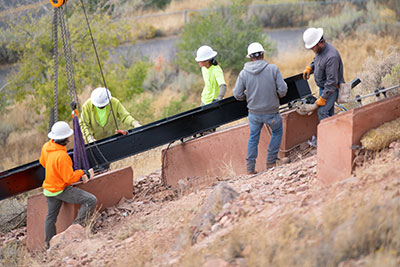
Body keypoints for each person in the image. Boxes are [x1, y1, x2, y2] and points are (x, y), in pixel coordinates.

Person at [40, 121, 97, 249]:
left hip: (49, 190)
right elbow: (69, 179)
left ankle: (49, 244)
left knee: (50, 218)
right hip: (61, 190)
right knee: (91, 200)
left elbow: (43, 162)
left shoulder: (46, 147)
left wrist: (55, 171)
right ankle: (76, 228)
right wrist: (82, 172)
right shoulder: (62, 156)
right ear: (65, 139)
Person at [233, 42, 287, 174]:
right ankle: (271, 161)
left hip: (254, 114)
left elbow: (237, 94)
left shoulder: (243, 74)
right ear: (263, 54)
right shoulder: (273, 69)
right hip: (272, 112)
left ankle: (250, 168)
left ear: (250, 57)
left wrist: (249, 98)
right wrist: (276, 96)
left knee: (253, 138)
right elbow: (283, 90)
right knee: (277, 132)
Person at [302, 27, 345, 122]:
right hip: (324, 88)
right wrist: (310, 67)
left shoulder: (331, 57)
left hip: (332, 89)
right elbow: (317, 60)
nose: (311, 49)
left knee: (322, 112)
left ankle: (328, 135)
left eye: (312, 47)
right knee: (329, 113)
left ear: (320, 43)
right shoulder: (320, 50)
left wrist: (323, 98)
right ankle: (334, 132)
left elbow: (332, 82)